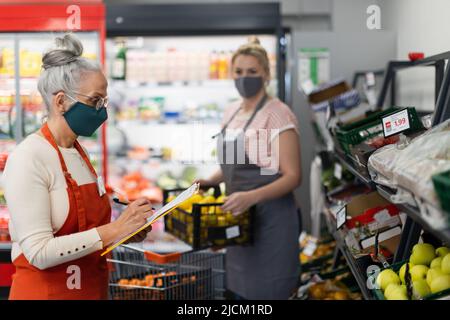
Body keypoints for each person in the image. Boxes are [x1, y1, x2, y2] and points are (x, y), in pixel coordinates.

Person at [3, 34, 152, 300]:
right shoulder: (29, 157)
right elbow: (38, 252)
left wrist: (126, 233)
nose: (102, 111)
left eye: (104, 101)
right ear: (61, 102)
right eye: (95, 101)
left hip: (91, 291)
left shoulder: (78, 153)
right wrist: (113, 230)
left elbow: (87, 236)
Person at [198, 37, 302, 299]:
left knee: (269, 290)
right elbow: (234, 165)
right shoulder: (232, 112)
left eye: (253, 72)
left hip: (272, 220)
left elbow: (293, 176)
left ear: (266, 74)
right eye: (239, 72)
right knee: (240, 291)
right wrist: (210, 181)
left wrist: (251, 197)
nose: (245, 78)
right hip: (240, 219)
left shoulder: (278, 114)